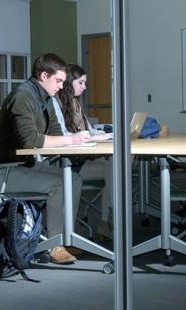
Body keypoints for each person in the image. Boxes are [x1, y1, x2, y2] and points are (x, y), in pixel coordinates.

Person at [0, 53, 89, 264]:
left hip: (22, 166)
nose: (61, 86)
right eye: (58, 81)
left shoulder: (45, 98)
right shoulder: (23, 96)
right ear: (44, 75)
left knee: (74, 180)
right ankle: (54, 244)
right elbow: (31, 141)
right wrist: (72, 141)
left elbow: (57, 133)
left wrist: (76, 140)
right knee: (59, 185)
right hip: (0, 172)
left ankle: (67, 237)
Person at [53, 64, 114, 239]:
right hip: (67, 163)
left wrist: (103, 134)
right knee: (112, 168)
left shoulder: (75, 102)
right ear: (69, 82)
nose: (84, 87)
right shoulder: (56, 103)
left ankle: (108, 217)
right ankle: (109, 218)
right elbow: (67, 136)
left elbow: (88, 129)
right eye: (81, 82)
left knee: (113, 164)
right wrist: (95, 138)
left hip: (81, 159)